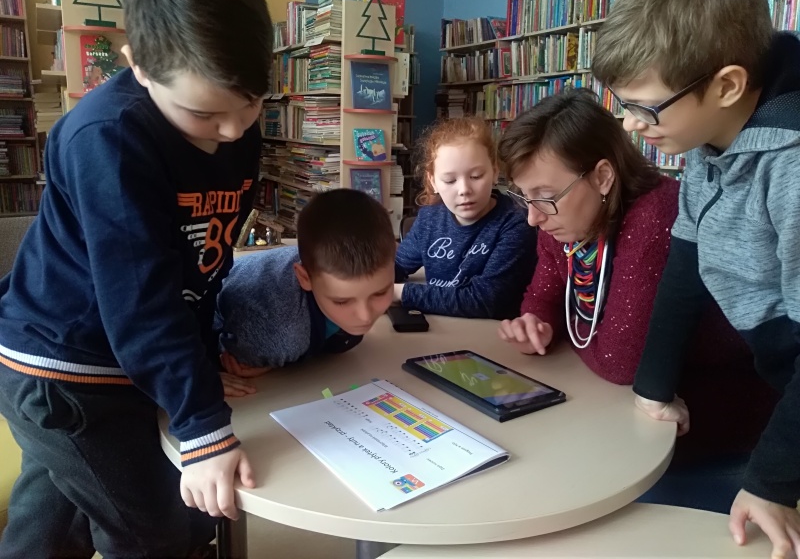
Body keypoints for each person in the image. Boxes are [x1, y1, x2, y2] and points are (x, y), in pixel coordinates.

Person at [0, 0, 272, 556]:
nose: (232, 130)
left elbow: (204, 260)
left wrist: (200, 362)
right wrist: (203, 426)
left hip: (120, 359)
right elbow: (142, 298)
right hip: (64, 368)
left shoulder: (234, 125)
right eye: (204, 114)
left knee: (51, 525)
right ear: (139, 67)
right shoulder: (107, 136)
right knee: (160, 532)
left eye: (252, 101)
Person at [591, 0, 800, 554]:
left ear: (727, 86)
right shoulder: (706, 137)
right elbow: (686, 266)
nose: (630, 125)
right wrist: (654, 384)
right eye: (623, 103)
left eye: (647, 108)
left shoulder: (791, 169)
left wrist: (772, 483)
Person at [496, 88, 777, 509]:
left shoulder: (656, 215)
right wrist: (535, 322)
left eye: (546, 196)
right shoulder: (565, 221)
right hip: (624, 423)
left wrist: (570, 333)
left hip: (714, 439)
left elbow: (622, 362)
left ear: (602, 177)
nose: (534, 217)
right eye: (524, 197)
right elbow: (542, 296)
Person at [214, 189, 396, 397]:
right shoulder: (281, 335)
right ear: (304, 278)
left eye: (380, 293)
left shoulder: (330, 265)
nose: (365, 316)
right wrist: (266, 358)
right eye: (342, 301)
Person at [394, 116, 537, 319]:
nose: (464, 190)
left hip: (489, 330)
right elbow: (398, 266)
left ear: (495, 172)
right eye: (449, 180)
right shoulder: (429, 218)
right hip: (442, 324)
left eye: (476, 176)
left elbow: (486, 300)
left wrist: (400, 293)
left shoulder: (516, 223)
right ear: (433, 181)